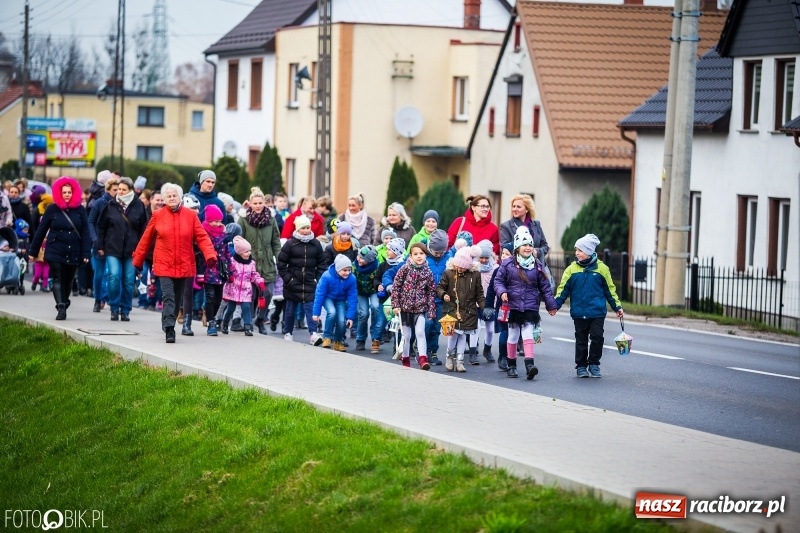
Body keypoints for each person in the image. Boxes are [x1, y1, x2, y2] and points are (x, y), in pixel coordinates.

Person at [132, 183, 217, 343]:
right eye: (168, 196)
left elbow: (202, 237)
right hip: (164, 263)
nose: (172, 198)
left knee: (177, 298)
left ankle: (167, 320)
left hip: (184, 263)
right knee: (168, 296)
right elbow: (146, 239)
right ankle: (170, 328)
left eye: (174, 195)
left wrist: (210, 254)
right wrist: (138, 259)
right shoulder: (157, 215)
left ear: (180, 198)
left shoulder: (190, 216)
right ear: (164, 199)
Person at [554, 233, 623, 379]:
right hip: (579, 312)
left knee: (597, 337)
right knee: (581, 340)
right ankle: (581, 366)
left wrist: (617, 307)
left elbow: (610, 290)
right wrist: (555, 305)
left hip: (597, 312)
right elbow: (562, 290)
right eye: (576, 250)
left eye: (580, 250)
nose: (577, 253)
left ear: (590, 252)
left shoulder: (602, 269)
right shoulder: (571, 270)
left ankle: (594, 364)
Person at [494, 227, 558, 379]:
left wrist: (551, 305)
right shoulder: (508, 264)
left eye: (530, 245)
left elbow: (545, 287)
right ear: (517, 247)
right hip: (512, 305)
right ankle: (511, 365)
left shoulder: (537, 265)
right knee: (513, 335)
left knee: (528, 333)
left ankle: (530, 365)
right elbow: (498, 281)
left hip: (530, 305)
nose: (528, 248)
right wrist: (502, 292)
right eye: (525, 245)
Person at [27, 176, 91, 320]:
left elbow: (86, 232)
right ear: (59, 193)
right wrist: (33, 251)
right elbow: (41, 231)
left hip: (74, 249)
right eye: (64, 192)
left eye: (69, 192)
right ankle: (61, 307)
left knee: (68, 280)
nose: (67, 195)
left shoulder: (80, 210)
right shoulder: (52, 209)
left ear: (73, 193)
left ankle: (64, 300)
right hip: (55, 248)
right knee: (57, 277)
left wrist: (86, 252)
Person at [96, 177, 148, 322]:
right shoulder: (111, 204)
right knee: (113, 277)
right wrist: (100, 245)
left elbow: (144, 228)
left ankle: (125, 310)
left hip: (132, 249)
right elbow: (101, 226)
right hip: (113, 247)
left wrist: (141, 248)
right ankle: (114, 307)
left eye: (123, 189)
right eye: (119, 189)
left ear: (130, 190)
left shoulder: (139, 205)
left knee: (128, 281)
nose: (120, 192)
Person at [238, 187, 282, 335]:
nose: (257, 206)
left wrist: (279, 258)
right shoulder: (243, 220)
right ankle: (248, 322)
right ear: (250, 203)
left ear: (265, 203)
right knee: (250, 295)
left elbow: (276, 240)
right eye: (255, 203)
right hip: (249, 262)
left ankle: (260, 319)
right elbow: (238, 240)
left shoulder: (271, 219)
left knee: (267, 294)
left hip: (267, 262)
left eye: (260, 203)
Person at [277, 214, 325, 344]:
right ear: (297, 229)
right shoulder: (290, 244)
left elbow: (322, 263)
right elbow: (281, 264)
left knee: (311, 309)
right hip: (293, 283)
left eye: (307, 227)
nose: (305, 230)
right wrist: (289, 279)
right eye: (303, 228)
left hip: (310, 282)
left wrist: (317, 279)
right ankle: (288, 333)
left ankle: (313, 334)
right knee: (290, 310)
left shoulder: (316, 244)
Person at [437, 245, 485, 372]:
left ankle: (460, 360)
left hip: (469, 311)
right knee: (453, 334)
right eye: (458, 265)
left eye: (463, 267)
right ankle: (449, 357)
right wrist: (444, 294)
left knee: (463, 335)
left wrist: (483, 305)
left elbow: (479, 292)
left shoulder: (475, 275)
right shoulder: (448, 273)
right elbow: (440, 287)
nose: (460, 268)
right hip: (453, 309)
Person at [391, 242, 437, 369]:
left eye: (421, 253)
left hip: (420, 309)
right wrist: (395, 304)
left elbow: (431, 292)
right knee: (406, 336)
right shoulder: (404, 269)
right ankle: (405, 359)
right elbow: (396, 287)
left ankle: (423, 359)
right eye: (415, 254)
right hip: (405, 309)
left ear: (426, 255)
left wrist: (431, 311)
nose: (419, 256)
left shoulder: (427, 272)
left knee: (420, 332)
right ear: (410, 256)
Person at [499, 194, 552, 288]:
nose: (515, 209)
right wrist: (527, 251)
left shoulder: (536, 224)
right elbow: (505, 248)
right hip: (516, 272)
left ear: (527, 209)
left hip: (536, 270)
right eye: (513, 206)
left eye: (518, 206)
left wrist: (537, 251)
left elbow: (545, 246)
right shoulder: (506, 226)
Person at [220, 236, 265, 336]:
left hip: (246, 289)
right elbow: (228, 272)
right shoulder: (232, 261)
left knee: (246, 308)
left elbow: (253, 274)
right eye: (246, 252)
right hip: (233, 289)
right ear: (239, 252)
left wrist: (259, 281)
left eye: (249, 251)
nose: (248, 253)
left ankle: (248, 327)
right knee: (230, 308)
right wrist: (229, 277)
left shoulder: (251, 263)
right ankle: (225, 323)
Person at [312, 254, 357, 352]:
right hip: (328, 298)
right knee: (332, 312)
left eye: (349, 270)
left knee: (341, 321)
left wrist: (350, 316)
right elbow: (320, 294)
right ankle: (327, 337)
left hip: (340, 299)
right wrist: (316, 312)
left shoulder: (352, 278)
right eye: (344, 270)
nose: (347, 273)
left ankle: (338, 341)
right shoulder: (327, 276)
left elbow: (352, 297)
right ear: (337, 269)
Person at [88, 176, 120, 312]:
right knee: (99, 274)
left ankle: (112, 300)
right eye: (115, 190)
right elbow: (91, 222)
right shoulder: (99, 203)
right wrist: (95, 239)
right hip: (99, 243)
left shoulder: (120, 204)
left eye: (120, 190)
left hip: (114, 244)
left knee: (113, 274)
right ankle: (97, 299)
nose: (118, 192)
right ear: (108, 190)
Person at [423, 229, 450, 366]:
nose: (439, 254)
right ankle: (421, 349)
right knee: (426, 324)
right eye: (436, 252)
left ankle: (432, 351)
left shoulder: (449, 257)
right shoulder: (423, 256)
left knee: (436, 327)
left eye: (441, 252)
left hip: (440, 299)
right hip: (425, 298)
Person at [485, 243, 514, 371]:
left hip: (518, 308)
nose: (504, 256)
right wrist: (489, 306)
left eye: (507, 254)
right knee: (505, 331)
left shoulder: (520, 271)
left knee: (515, 333)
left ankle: (511, 357)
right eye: (503, 253)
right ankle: (503, 357)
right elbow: (491, 289)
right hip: (503, 308)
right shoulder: (498, 270)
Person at [470, 239, 498, 365]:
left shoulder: (495, 268)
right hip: (475, 302)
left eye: (486, 257)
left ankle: (487, 349)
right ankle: (472, 352)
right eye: (481, 257)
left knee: (490, 329)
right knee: (475, 328)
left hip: (489, 302)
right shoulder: (473, 267)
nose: (484, 260)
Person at [352, 244, 382, 353]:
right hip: (361, 292)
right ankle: (360, 339)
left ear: (369, 260)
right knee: (363, 314)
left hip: (373, 290)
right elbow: (351, 281)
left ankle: (375, 338)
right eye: (359, 257)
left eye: (362, 258)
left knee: (375, 307)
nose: (359, 259)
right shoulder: (354, 266)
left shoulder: (377, 267)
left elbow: (379, 279)